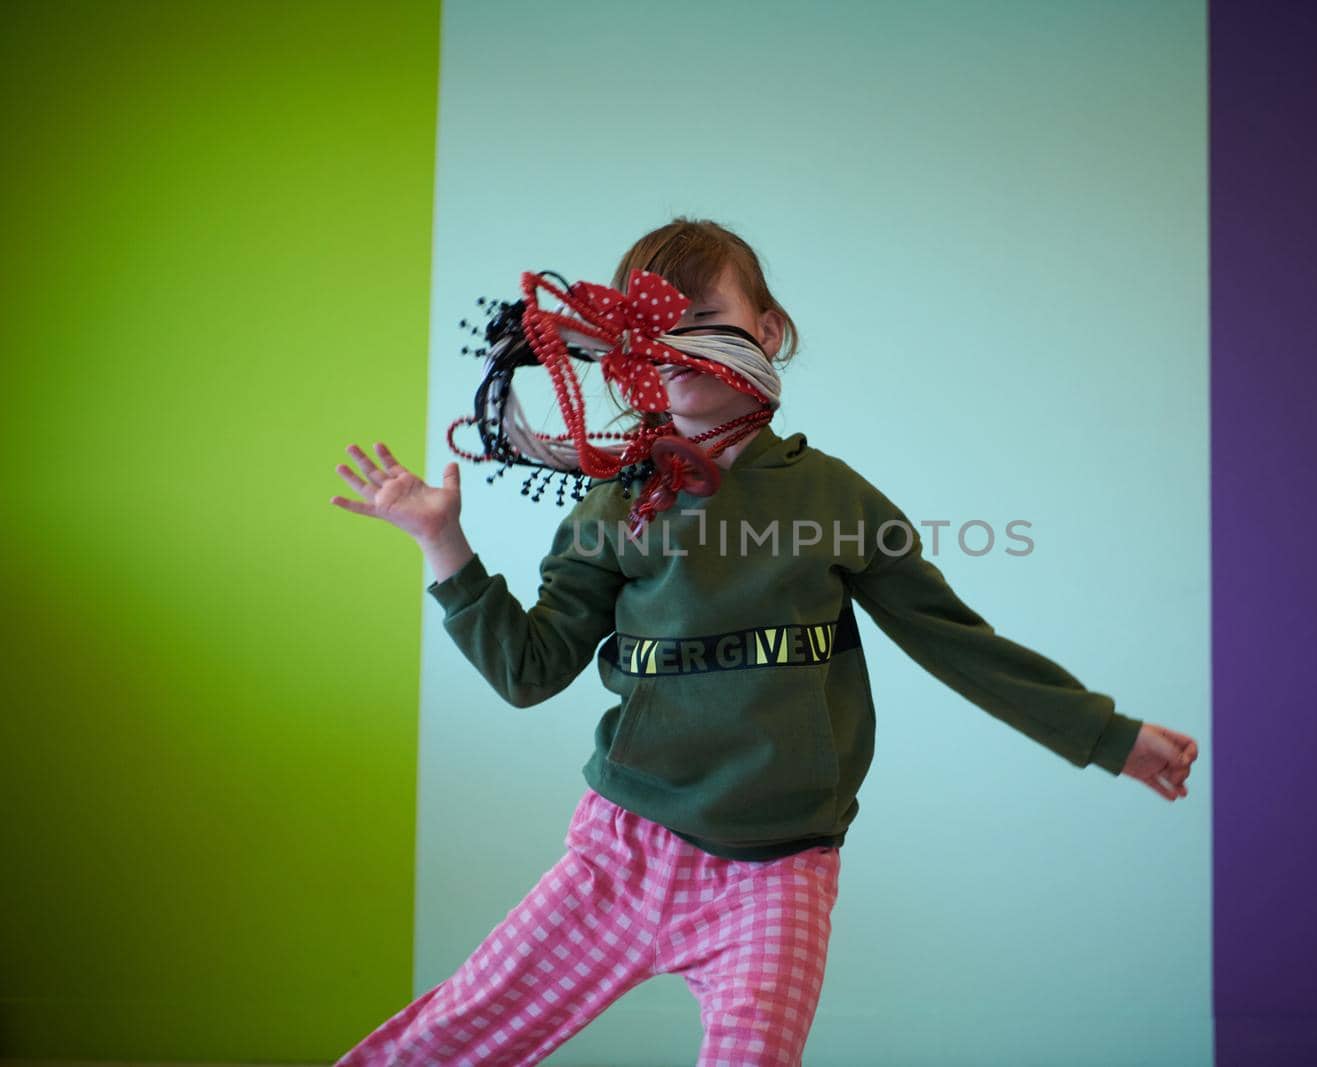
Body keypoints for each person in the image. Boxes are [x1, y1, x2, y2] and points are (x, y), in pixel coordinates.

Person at [328, 218, 1199, 1066]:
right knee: (450, 1037)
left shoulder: (837, 500)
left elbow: (957, 642)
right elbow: (528, 671)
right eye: (650, 332)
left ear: (767, 331)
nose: (676, 348)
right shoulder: (613, 506)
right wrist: (445, 547)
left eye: (702, 324)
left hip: (779, 872)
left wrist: (1111, 738)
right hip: (622, 851)